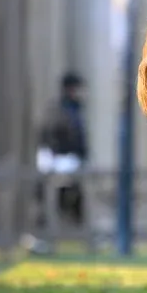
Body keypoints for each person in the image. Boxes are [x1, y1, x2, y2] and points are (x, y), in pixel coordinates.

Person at [35, 73, 87, 229]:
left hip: (71, 158)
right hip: (58, 157)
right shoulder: (58, 109)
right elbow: (51, 133)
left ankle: (74, 227)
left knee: (74, 194)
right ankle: (47, 227)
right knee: (58, 194)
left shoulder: (76, 108)